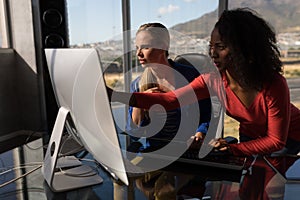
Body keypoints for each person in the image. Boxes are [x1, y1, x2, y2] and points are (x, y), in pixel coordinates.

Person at [108, 8, 300, 156]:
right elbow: (171, 100)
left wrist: (232, 149)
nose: (212, 53)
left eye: (221, 47)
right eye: (211, 46)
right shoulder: (213, 80)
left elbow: (276, 141)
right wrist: (114, 95)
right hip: (250, 134)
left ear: (244, 49)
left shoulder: (274, 83)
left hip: (291, 137)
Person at [126, 22, 211, 152]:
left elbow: (206, 114)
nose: (138, 53)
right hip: (155, 153)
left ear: (163, 47)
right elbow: (133, 134)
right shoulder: (138, 85)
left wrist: (200, 134)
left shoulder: (190, 76)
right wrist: (141, 102)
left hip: (187, 151)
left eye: (145, 47)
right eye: (137, 47)